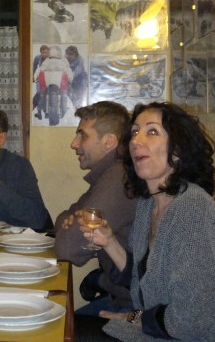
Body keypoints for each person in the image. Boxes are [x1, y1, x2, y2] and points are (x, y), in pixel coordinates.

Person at [86, 102, 215, 341]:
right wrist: (109, 241)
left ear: (177, 150)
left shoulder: (192, 209)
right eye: (134, 132)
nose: (136, 140)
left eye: (152, 131)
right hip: (166, 330)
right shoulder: (148, 204)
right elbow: (143, 282)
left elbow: (190, 318)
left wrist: (133, 318)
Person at [54, 102, 136, 318]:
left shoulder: (118, 178)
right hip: (119, 298)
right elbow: (64, 216)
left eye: (82, 135)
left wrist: (69, 223)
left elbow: (67, 248)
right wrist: (68, 220)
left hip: (135, 312)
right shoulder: (109, 174)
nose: (74, 144)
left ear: (109, 142)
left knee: (57, 327)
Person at [32, 44, 49, 118]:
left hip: (48, 79)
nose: (44, 54)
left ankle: (46, 112)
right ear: (40, 52)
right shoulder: (37, 58)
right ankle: (39, 112)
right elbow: (34, 67)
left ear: (48, 52)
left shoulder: (51, 59)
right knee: (39, 93)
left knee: (46, 95)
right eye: (43, 52)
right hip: (40, 78)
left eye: (46, 52)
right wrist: (32, 76)